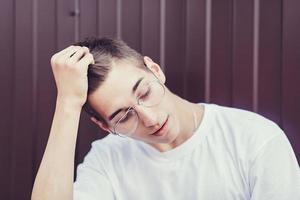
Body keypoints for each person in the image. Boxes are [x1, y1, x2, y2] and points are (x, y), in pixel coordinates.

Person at [31, 37, 300, 200]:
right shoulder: (106, 159)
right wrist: (67, 104)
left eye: (144, 92)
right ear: (104, 126)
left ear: (155, 70)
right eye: (124, 116)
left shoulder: (256, 139)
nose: (149, 118)